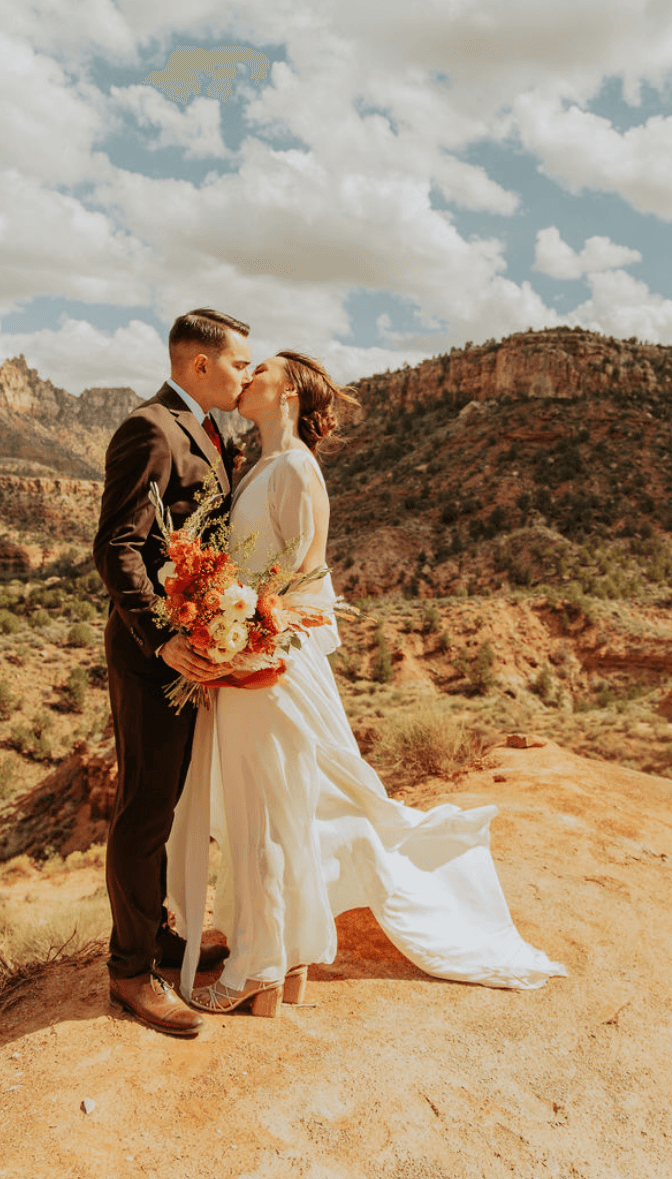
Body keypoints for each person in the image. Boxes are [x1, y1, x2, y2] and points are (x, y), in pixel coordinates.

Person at [166, 351, 566, 1015]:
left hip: (267, 665)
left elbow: (297, 582)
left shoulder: (296, 467)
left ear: (289, 391)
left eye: (262, 368)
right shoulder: (261, 466)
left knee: (262, 813)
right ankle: (285, 956)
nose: (248, 374)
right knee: (269, 810)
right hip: (246, 659)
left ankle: (257, 966)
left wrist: (241, 643)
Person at [94, 307, 258, 1037]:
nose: (245, 374)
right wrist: (163, 639)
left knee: (163, 802)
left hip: (191, 652)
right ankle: (130, 972)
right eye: (238, 363)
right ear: (199, 364)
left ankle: (157, 934)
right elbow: (117, 546)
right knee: (143, 807)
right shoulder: (151, 429)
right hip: (150, 657)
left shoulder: (212, 432)